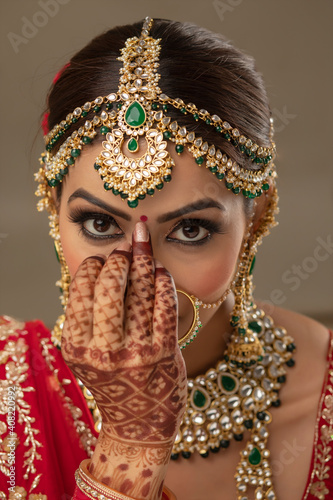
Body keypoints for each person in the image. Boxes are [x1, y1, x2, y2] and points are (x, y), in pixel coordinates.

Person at [0, 16, 331, 500]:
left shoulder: (321, 401)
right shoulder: (9, 395)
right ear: (55, 211)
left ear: (256, 218)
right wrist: (129, 447)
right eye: (99, 224)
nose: (139, 274)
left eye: (190, 230)